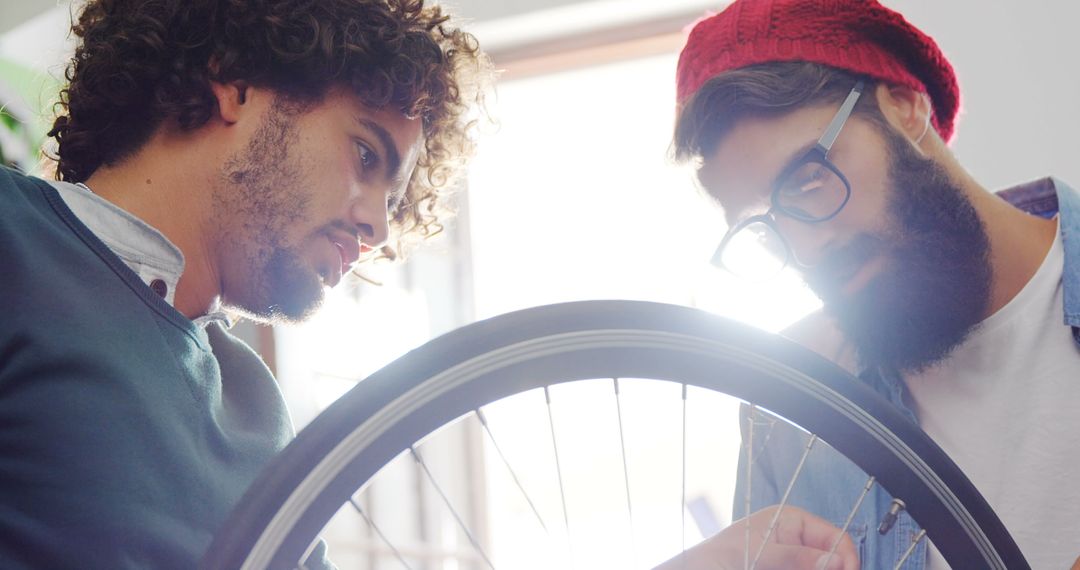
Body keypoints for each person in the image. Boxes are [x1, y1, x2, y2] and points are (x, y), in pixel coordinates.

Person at [0, 0, 489, 567]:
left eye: (394, 201)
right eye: (365, 154)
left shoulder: (257, 407)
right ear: (237, 84)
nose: (378, 227)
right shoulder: (14, 236)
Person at [671, 0, 1080, 568]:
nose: (806, 249)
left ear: (906, 108)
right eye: (765, 228)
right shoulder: (790, 409)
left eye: (810, 179)